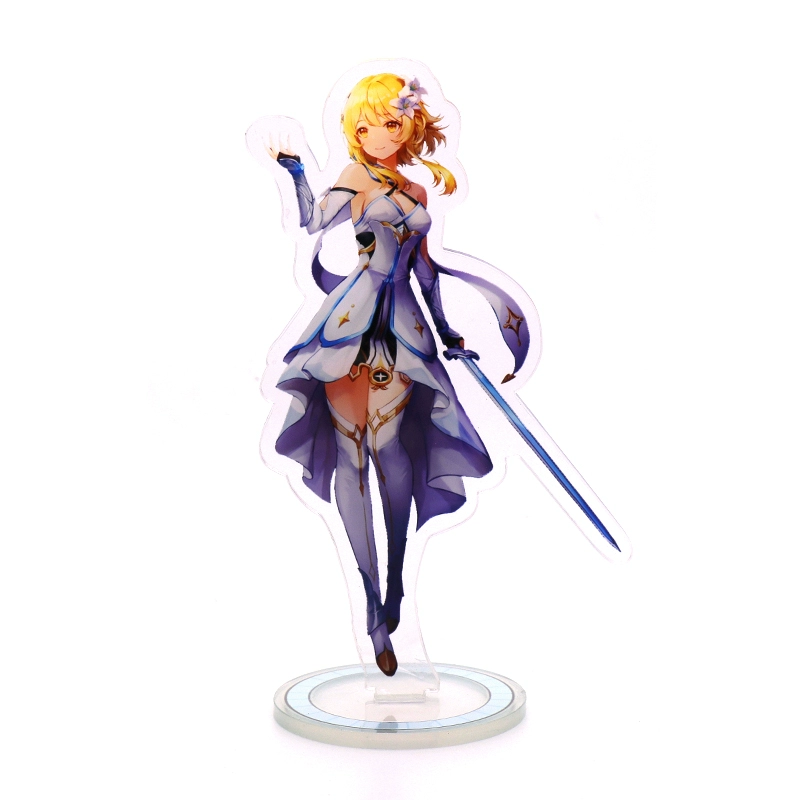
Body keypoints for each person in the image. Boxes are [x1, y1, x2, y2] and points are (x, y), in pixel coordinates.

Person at [268, 73, 528, 676]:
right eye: (365, 126)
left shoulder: (416, 190)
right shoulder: (354, 177)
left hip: (406, 324)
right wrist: (296, 171)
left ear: (409, 127)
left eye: (390, 123)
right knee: (353, 455)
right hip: (352, 321)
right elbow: (313, 222)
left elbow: (426, 270)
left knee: (392, 452)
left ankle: (394, 582)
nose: (378, 136)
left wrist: (449, 332)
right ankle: (371, 603)